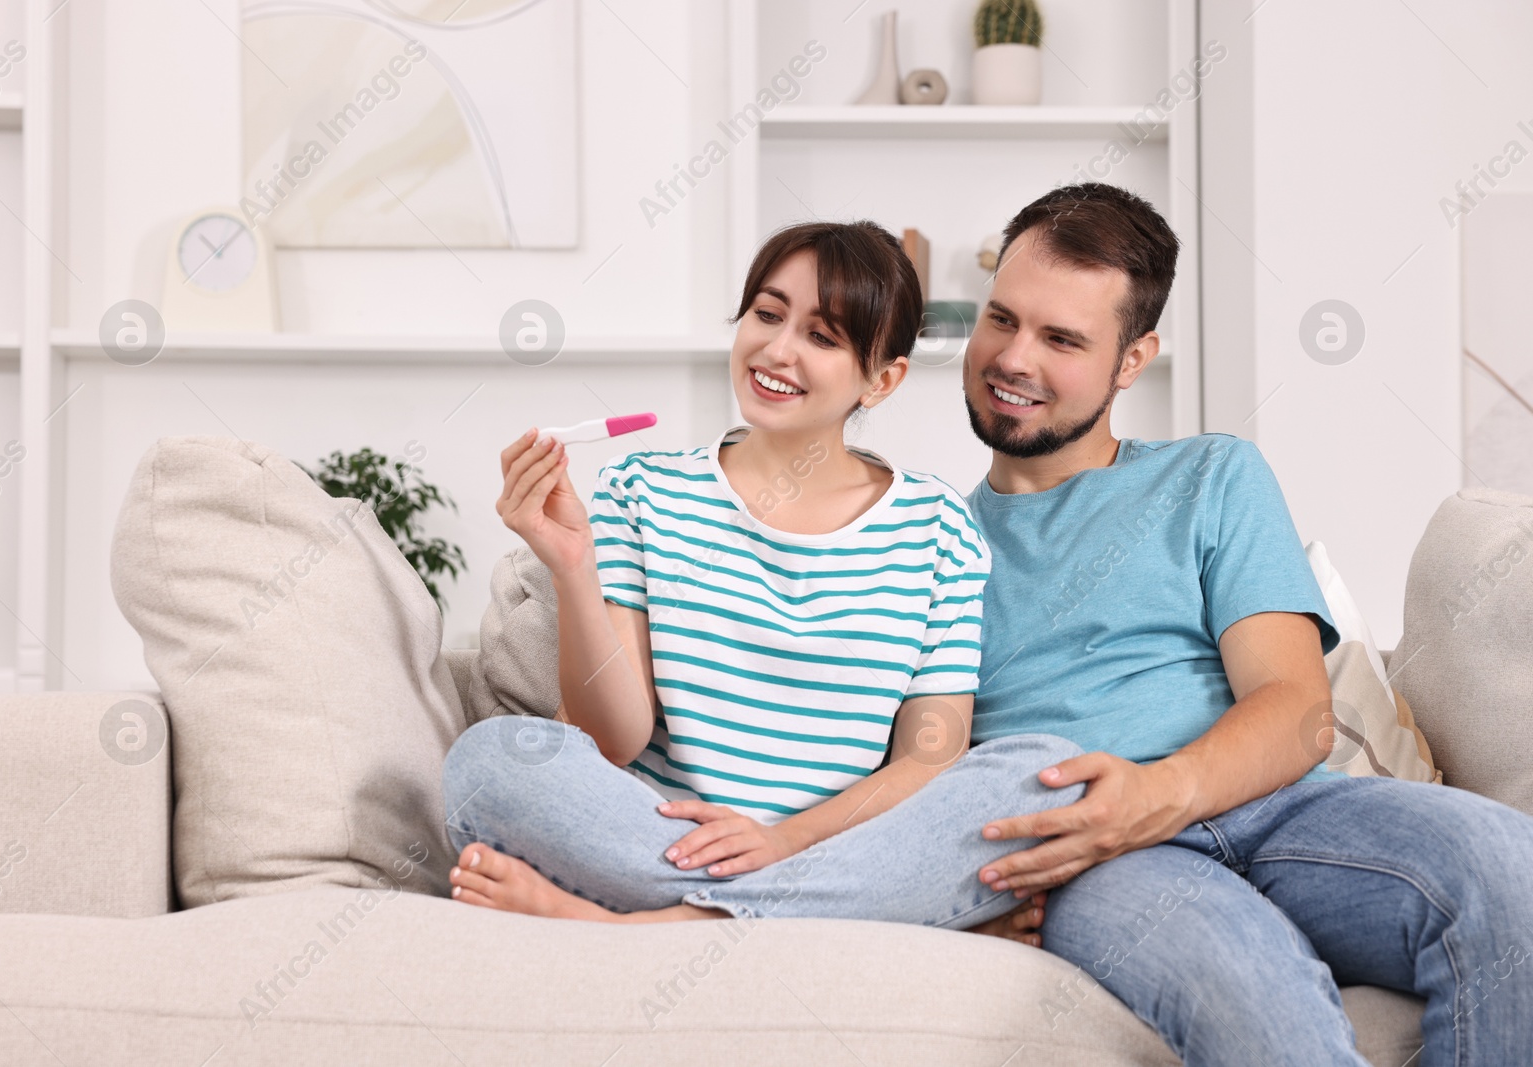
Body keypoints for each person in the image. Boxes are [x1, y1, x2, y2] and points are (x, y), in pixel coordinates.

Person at [455, 182, 1533, 1066]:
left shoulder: (1210, 476)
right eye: (1003, 319)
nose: (1014, 357)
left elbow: (1295, 713)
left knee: (1508, 866)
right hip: (1077, 853)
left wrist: (1154, 793)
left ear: (1133, 359)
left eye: (1062, 337)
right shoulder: (927, 537)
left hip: (1275, 809)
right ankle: (704, 919)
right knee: (1244, 991)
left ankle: (682, 925)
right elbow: (917, 782)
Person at [440, 219, 1055, 942]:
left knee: (1047, 769)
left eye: (822, 337)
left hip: (834, 846)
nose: (777, 348)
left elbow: (929, 756)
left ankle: (665, 922)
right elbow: (614, 737)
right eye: (767, 313)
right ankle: (770, 914)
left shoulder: (938, 526)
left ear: (882, 378)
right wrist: (572, 567)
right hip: (662, 836)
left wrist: (785, 840)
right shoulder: (642, 490)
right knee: (491, 759)